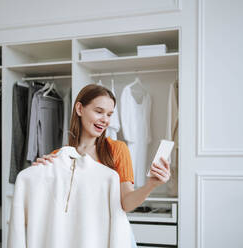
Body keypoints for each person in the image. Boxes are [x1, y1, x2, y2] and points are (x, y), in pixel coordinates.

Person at [32, 84, 171, 212]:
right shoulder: (59, 156)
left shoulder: (116, 149)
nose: (105, 120)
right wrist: (38, 175)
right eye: (99, 112)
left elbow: (126, 204)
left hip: (105, 234)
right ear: (79, 109)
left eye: (109, 114)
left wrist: (151, 185)